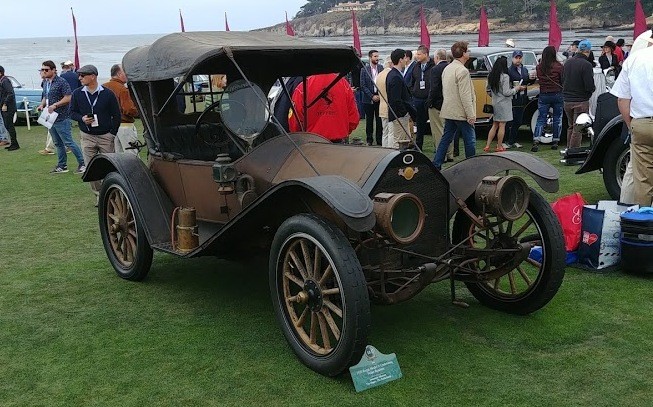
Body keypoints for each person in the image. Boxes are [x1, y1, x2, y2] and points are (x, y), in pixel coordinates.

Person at [610, 31, 653, 206]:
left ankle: (644, 218)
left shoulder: (634, 59)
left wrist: (631, 125)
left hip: (641, 123)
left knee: (643, 181)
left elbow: (622, 99)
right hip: (641, 122)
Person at [69, 64, 121, 200]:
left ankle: (110, 193)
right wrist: (82, 118)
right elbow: (72, 112)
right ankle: (99, 196)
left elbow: (117, 115)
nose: (79, 78)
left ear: (93, 76)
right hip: (87, 136)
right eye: (79, 75)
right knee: (90, 168)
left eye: (82, 75)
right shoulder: (77, 93)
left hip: (105, 136)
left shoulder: (108, 94)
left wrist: (112, 133)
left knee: (109, 166)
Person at [434, 41, 476, 169]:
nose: (469, 52)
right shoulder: (462, 71)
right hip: (461, 112)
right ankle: (471, 166)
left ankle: (437, 163)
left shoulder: (448, 68)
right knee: (470, 140)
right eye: (468, 50)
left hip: (449, 110)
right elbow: (465, 95)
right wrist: (470, 114)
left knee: (446, 138)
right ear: (463, 53)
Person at [37, 60, 85, 172]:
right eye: (42, 69)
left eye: (46, 70)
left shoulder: (61, 82)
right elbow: (46, 96)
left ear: (53, 70)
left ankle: (83, 163)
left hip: (61, 116)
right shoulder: (46, 82)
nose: (44, 72)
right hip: (50, 117)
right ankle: (62, 165)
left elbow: (68, 97)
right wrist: (42, 105)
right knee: (57, 143)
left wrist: (55, 105)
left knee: (68, 142)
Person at [288, 73, 359, 143]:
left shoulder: (302, 87)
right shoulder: (344, 85)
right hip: (339, 143)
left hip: (311, 143)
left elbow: (294, 122)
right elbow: (353, 119)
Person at [484, 56, 524, 152]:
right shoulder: (505, 77)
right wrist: (516, 89)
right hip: (504, 104)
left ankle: (487, 145)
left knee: (494, 125)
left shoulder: (491, 76)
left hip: (495, 102)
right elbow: (507, 92)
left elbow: (488, 89)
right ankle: (499, 146)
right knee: (502, 125)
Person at [562, 39, 596, 148]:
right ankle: (573, 151)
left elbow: (562, 79)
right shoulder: (586, 65)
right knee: (578, 128)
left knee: (571, 126)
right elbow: (589, 85)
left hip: (567, 100)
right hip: (581, 100)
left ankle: (569, 149)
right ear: (588, 51)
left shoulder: (567, 62)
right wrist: (591, 91)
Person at [532, 45, 564, 152]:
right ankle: (555, 141)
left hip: (544, 94)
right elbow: (562, 80)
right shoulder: (559, 66)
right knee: (557, 118)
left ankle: (536, 140)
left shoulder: (539, 67)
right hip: (557, 94)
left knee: (541, 118)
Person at [102, 64, 139, 154]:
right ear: (119, 74)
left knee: (116, 156)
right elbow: (128, 109)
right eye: (125, 72)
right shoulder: (122, 89)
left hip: (109, 127)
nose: (127, 75)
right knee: (131, 154)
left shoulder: (102, 87)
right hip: (124, 126)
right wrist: (139, 112)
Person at [504, 50, 536, 149]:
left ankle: (513, 140)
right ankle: (507, 140)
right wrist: (516, 88)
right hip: (513, 97)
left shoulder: (524, 69)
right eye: (516, 58)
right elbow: (507, 84)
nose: (518, 60)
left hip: (522, 97)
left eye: (520, 58)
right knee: (510, 121)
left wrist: (532, 79)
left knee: (518, 120)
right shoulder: (509, 70)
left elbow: (527, 81)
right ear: (512, 58)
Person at [406, 45, 435, 150]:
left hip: (430, 99)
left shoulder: (433, 66)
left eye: (419, 54)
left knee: (434, 124)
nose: (417, 56)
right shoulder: (416, 67)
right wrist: (414, 92)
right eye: (417, 54)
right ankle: (418, 146)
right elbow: (411, 81)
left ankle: (437, 146)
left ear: (426, 54)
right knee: (419, 123)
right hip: (418, 99)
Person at [386, 48, 416, 148]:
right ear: (400, 60)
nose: (406, 60)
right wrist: (404, 113)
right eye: (404, 58)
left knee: (401, 139)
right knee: (400, 141)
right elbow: (396, 99)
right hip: (399, 115)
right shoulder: (395, 76)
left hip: (398, 114)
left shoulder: (394, 74)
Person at [427, 48, 453, 161]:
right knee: (448, 129)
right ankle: (450, 153)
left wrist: (429, 102)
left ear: (437, 57)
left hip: (437, 103)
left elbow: (434, 88)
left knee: (438, 130)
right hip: (449, 102)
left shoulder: (435, 69)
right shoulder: (451, 67)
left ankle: (441, 154)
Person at [360, 49, 383, 145]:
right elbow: (363, 85)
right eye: (375, 56)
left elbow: (383, 82)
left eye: (378, 56)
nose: (377, 58)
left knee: (379, 120)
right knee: (369, 120)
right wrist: (371, 96)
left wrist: (379, 95)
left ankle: (379, 140)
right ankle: (369, 140)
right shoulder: (364, 69)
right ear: (370, 57)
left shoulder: (381, 68)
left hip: (379, 98)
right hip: (368, 99)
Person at [0, 65, 19, 151]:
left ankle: (15, 144)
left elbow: (10, 93)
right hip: (5, 106)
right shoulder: (2, 81)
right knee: (7, 125)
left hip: (8, 107)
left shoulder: (5, 81)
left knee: (9, 125)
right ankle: (13, 142)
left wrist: (5, 103)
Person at [375, 57, 393, 147]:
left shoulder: (379, 75)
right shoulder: (391, 75)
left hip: (381, 106)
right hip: (390, 107)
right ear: (390, 63)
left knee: (385, 132)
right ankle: (390, 149)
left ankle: (384, 148)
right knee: (391, 132)